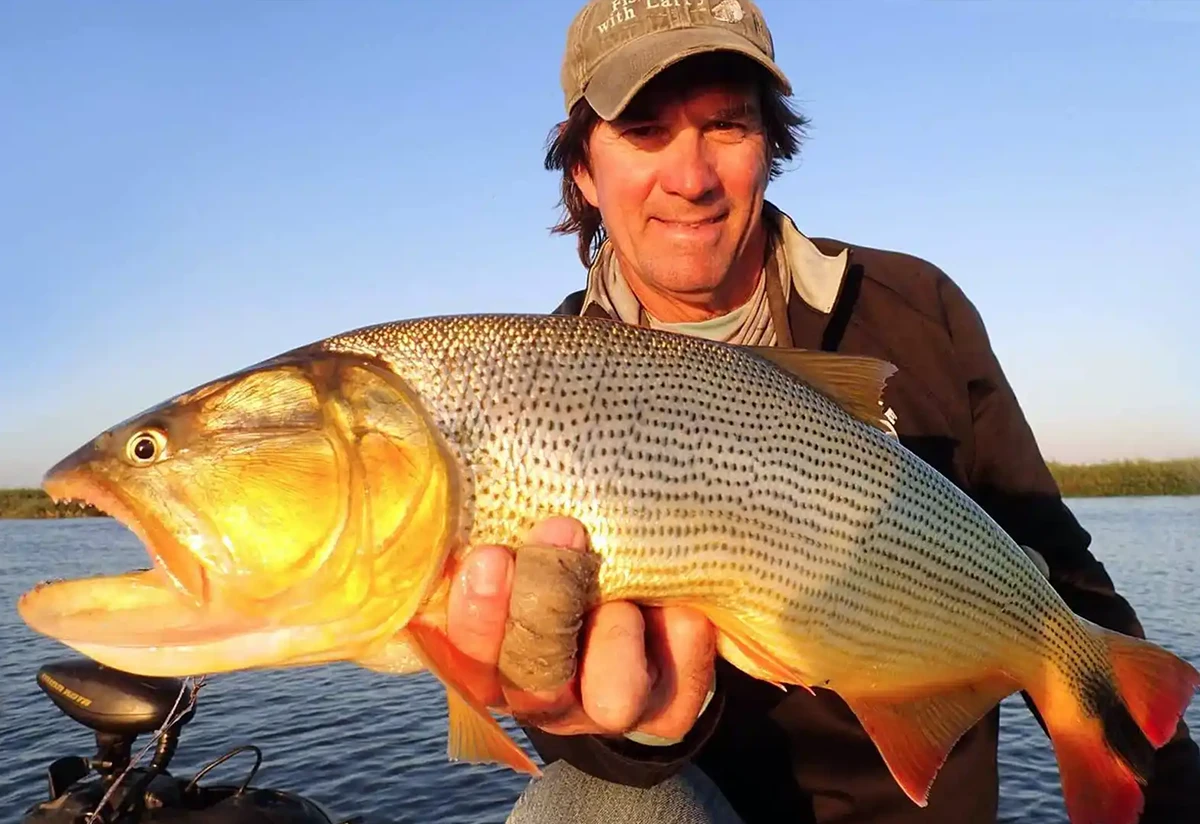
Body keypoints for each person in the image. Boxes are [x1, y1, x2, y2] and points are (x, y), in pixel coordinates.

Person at [441, 1, 1200, 821]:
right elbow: (567, 721)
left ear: (771, 145)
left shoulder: (916, 307)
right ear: (584, 171)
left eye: (726, 125)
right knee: (581, 803)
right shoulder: (526, 388)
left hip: (924, 806)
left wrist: (1168, 784)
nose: (691, 177)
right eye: (644, 131)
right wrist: (628, 732)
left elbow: (1058, 561)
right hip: (706, 802)